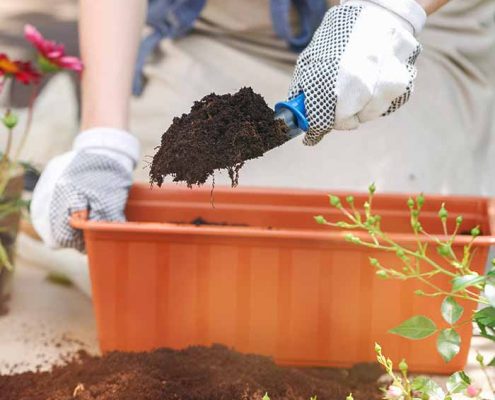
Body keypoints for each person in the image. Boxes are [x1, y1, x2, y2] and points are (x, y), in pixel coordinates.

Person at [30, 0, 495, 251]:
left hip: (414, 34)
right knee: (164, 227)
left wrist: (392, 12)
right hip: (225, 34)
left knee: (387, 233)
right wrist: (102, 139)